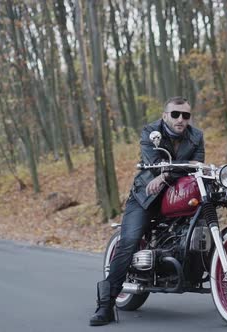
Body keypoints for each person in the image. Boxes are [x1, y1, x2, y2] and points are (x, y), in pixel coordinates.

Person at [89, 96, 205, 326]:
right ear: (165, 116)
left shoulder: (196, 136)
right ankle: (106, 305)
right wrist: (164, 174)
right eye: (175, 114)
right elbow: (153, 161)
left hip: (177, 192)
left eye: (185, 115)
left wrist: (166, 176)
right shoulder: (150, 132)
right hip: (145, 196)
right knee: (129, 240)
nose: (181, 119)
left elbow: (197, 165)